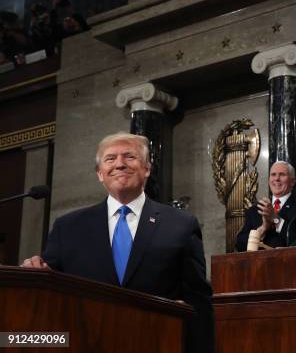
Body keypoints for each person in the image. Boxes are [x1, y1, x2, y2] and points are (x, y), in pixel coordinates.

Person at [21, 132, 213, 353]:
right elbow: (50, 288)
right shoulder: (68, 227)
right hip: (85, 343)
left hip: (156, 343)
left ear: (147, 169)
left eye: (129, 157)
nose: (120, 164)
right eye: (110, 159)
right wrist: (35, 272)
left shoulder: (180, 224)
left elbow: (198, 301)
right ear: (100, 173)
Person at [235, 161, 296, 251]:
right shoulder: (255, 210)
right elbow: (240, 245)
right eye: (273, 174)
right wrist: (263, 228)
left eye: (282, 175)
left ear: (293, 181)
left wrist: (275, 219)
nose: (276, 178)